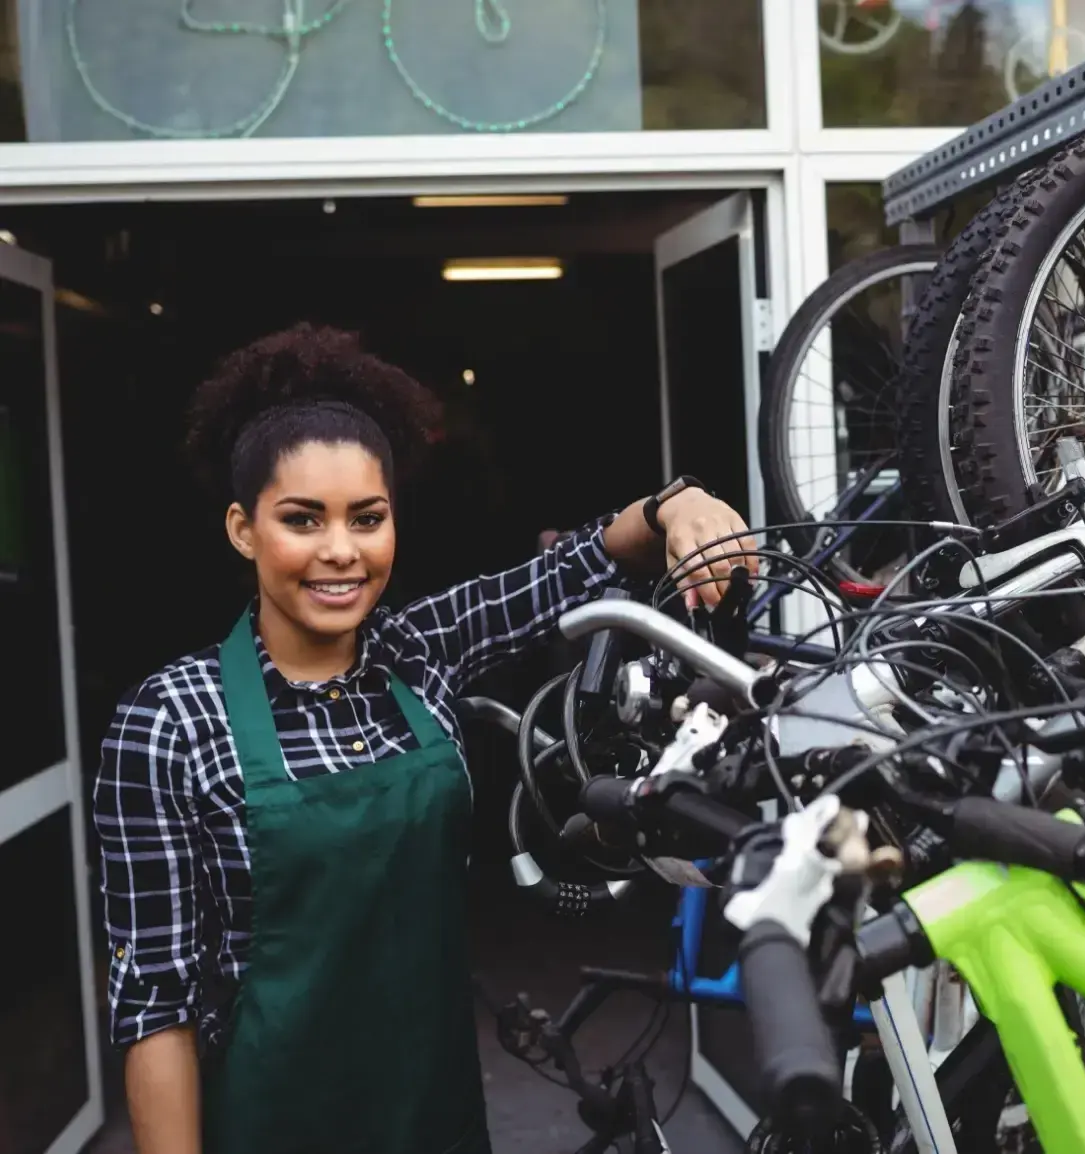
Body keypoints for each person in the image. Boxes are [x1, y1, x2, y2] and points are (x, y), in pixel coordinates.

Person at [92, 323, 757, 1154]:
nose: (341, 551)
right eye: (303, 519)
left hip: (433, 1116)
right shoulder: (169, 724)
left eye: (367, 518)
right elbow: (157, 1005)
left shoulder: (417, 653)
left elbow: (573, 567)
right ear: (242, 528)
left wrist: (676, 505)